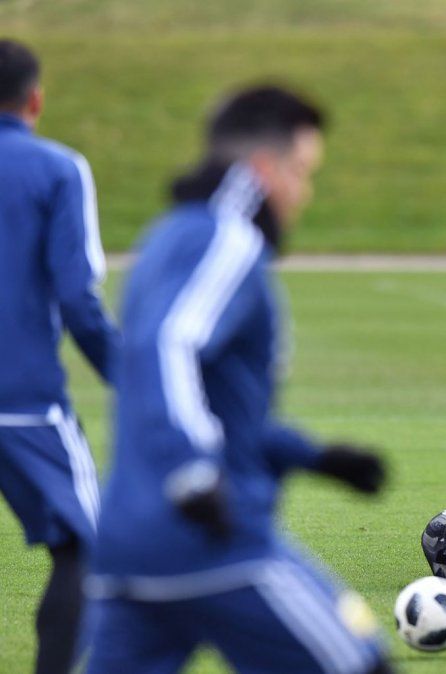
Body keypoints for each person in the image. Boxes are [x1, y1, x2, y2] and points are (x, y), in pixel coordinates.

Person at [85, 86, 393, 674]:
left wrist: (312, 456)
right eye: (302, 172)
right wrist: (191, 472)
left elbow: (215, 404)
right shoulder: (226, 237)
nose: (303, 193)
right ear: (264, 169)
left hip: (129, 548)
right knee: (364, 663)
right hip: (211, 543)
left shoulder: (169, 235)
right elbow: (167, 345)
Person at [0, 39, 118, 674]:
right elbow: (77, 297)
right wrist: (130, 377)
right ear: (36, 100)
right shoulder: (58, 169)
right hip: (22, 401)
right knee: (85, 549)